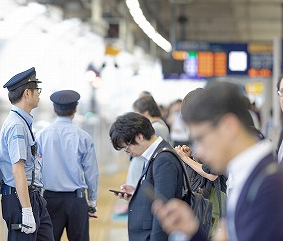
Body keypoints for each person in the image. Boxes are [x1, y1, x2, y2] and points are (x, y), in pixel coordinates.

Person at [152, 82, 283, 241]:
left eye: (201, 138)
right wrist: (192, 230)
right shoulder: (250, 176)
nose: (199, 150)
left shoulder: (269, 187)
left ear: (228, 126)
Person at [0, 67, 55, 241]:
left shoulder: (23, 121)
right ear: (27, 93)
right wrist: (27, 210)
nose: (39, 94)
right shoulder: (17, 126)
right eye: (37, 90)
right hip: (20, 199)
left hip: (33, 196)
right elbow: (17, 169)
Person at [109, 112, 185, 241]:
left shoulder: (163, 159)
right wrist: (136, 193)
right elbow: (157, 194)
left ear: (139, 137)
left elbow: (164, 209)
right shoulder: (155, 155)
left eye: (127, 148)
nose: (128, 153)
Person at [36, 90, 99, 241]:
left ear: (54, 109)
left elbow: (35, 169)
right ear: (75, 109)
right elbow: (91, 172)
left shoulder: (41, 135)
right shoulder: (84, 137)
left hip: (49, 200)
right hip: (76, 200)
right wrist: (91, 200)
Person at [125, 95, 171, 188]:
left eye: (137, 113)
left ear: (145, 113)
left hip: (142, 177)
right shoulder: (160, 125)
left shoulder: (156, 128)